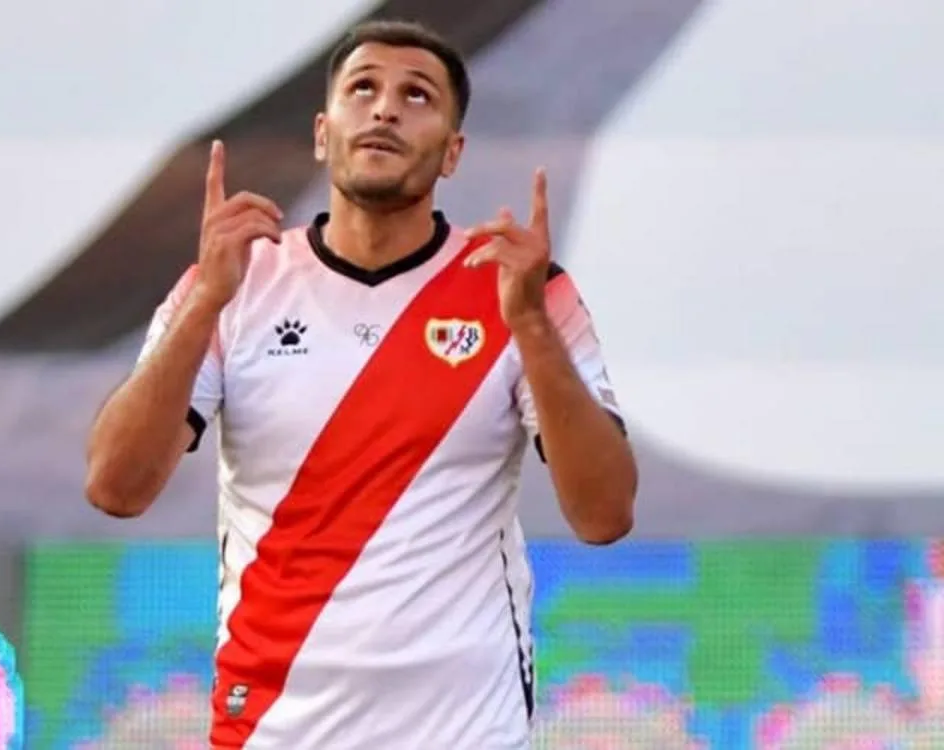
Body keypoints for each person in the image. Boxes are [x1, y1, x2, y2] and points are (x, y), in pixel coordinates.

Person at [85, 18, 638, 750]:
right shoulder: (233, 282)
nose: (385, 110)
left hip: (464, 730)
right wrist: (206, 302)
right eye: (363, 89)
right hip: (273, 728)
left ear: (453, 151)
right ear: (323, 133)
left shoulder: (521, 289)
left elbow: (604, 515)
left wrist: (532, 326)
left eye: (417, 96)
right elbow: (115, 487)